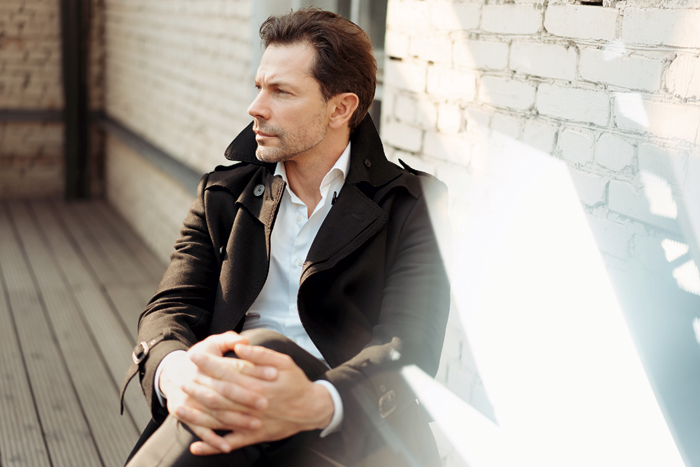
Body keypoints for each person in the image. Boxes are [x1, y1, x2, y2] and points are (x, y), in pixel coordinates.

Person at [121, 8, 450, 467]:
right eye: (259, 87)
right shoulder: (223, 195)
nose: (255, 107)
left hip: (347, 426)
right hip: (227, 403)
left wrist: (317, 402)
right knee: (244, 369)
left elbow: (408, 343)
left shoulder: (414, 206)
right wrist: (174, 373)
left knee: (262, 351)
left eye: (281, 91)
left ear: (340, 108)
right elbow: (170, 307)